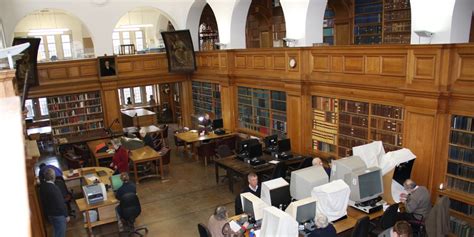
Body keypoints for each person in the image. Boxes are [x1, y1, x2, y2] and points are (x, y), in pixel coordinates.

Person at [39, 168, 69, 237]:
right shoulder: (54, 188)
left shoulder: (42, 187)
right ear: (53, 177)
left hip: (50, 215)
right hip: (59, 215)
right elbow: (61, 203)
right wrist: (66, 215)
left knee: (56, 231)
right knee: (60, 234)